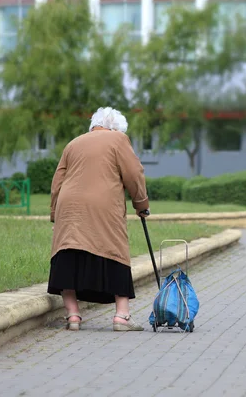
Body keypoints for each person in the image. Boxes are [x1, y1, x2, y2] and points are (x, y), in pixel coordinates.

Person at [47, 107, 150, 332]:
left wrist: (55, 211)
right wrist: (141, 204)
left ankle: (73, 315)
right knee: (114, 250)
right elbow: (134, 173)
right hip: (103, 204)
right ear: (117, 127)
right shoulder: (118, 139)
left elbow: (58, 180)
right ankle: (122, 317)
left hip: (69, 205)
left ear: (94, 124)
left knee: (69, 250)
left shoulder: (73, 143)